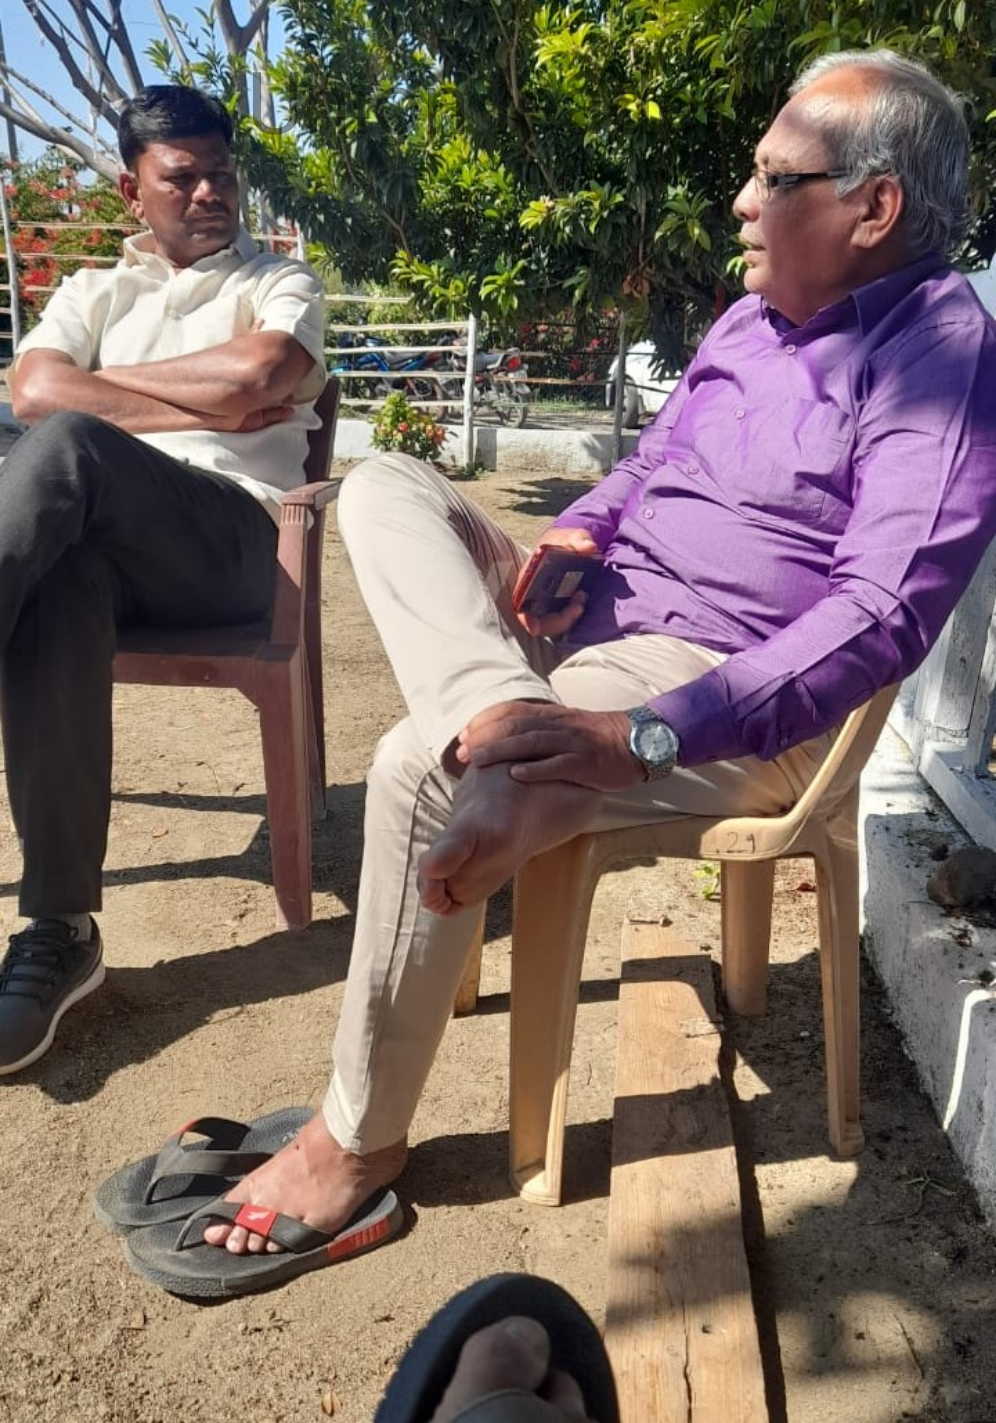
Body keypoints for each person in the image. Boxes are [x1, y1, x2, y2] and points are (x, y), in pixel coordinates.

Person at [123, 47, 996, 1289]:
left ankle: (354, 1146)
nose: (741, 202)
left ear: (875, 207)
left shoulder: (944, 358)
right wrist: (580, 533)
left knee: (419, 768)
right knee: (383, 486)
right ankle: (500, 716)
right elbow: (651, 467)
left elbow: (881, 614)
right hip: (589, 627)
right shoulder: (750, 321)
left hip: (712, 687)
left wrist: (639, 735)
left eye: (774, 179)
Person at [0, 85, 325, 1075]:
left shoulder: (279, 280)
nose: (210, 192)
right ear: (131, 191)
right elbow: (30, 388)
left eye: (222, 174)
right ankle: (61, 928)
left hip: (233, 545)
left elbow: (257, 376)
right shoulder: (94, 291)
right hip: (109, 548)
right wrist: (199, 404)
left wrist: (100, 403)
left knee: (66, 446)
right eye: (182, 177)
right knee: (62, 576)